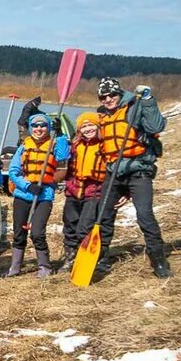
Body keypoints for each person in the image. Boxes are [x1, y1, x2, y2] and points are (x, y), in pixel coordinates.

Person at [93, 77, 171, 279]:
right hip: (114, 172)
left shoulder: (133, 109)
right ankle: (100, 258)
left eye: (112, 94)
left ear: (119, 93)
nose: (108, 99)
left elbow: (156, 127)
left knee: (144, 214)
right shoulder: (103, 116)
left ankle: (158, 258)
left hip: (138, 171)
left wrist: (148, 100)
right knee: (103, 215)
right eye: (103, 96)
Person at [5, 113, 69, 278]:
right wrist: (27, 185)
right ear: (31, 128)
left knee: (37, 233)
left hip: (44, 196)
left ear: (48, 128)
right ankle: (15, 267)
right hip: (23, 194)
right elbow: (13, 171)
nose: (39, 129)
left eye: (43, 126)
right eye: (35, 126)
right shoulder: (24, 146)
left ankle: (44, 267)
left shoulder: (54, 144)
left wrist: (60, 134)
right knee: (19, 233)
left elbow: (63, 157)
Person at [60, 111, 107, 262]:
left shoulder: (104, 145)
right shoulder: (75, 145)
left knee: (84, 228)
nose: (88, 129)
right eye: (84, 126)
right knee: (69, 226)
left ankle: (87, 257)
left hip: (93, 192)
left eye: (91, 125)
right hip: (73, 190)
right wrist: (59, 135)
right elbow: (62, 159)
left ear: (98, 126)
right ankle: (70, 258)